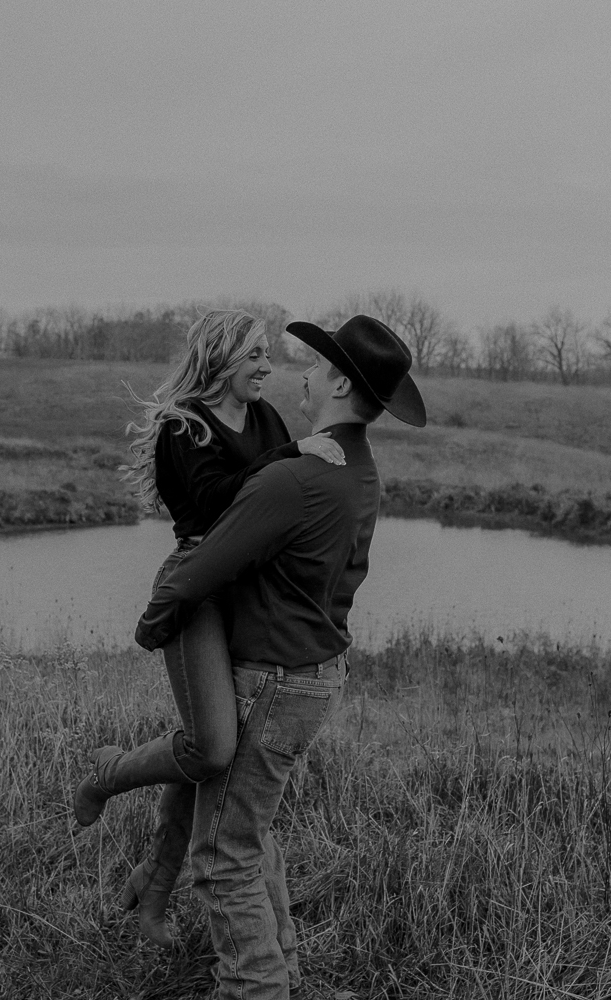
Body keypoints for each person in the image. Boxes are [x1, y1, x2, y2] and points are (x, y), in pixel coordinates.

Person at [135, 314, 425, 1000]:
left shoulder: (294, 475)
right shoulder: (357, 469)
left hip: (273, 677)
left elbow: (205, 564)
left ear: (340, 382)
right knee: (247, 828)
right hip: (313, 674)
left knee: (223, 856)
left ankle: (256, 987)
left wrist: (153, 623)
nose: (301, 370)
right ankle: (281, 966)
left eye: (317, 364)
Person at [71, 308, 345, 948]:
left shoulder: (265, 417)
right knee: (213, 748)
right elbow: (223, 503)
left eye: (268, 356)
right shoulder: (183, 428)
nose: (268, 368)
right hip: (197, 589)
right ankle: (105, 775)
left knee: (216, 767)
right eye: (256, 355)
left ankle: (154, 896)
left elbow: (279, 494)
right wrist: (292, 455)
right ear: (223, 356)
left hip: (250, 590)